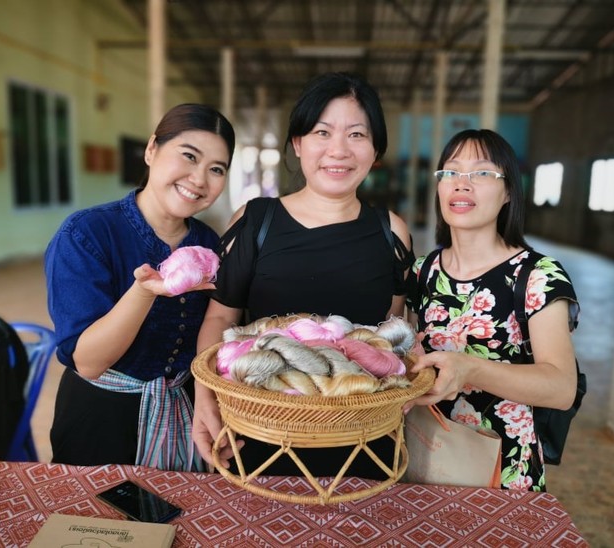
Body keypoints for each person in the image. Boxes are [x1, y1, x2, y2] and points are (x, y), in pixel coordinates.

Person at [193, 72, 415, 479]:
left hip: (362, 437)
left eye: (356, 135)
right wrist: (204, 398)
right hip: (258, 432)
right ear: (297, 144)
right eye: (322, 132)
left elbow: (389, 337)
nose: (338, 150)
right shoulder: (256, 220)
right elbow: (220, 319)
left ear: (375, 149)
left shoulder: (392, 232)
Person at [44, 103, 235, 471]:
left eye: (216, 169)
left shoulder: (211, 243)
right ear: (151, 150)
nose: (199, 178)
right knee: (96, 525)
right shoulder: (86, 233)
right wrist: (145, 291)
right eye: (189, 156)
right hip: (99, 419)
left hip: (185, 411)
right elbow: (88, 362)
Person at [405, 128, 579, 491]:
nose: (461, 184)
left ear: (509, 192)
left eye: (482, 173)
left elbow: (563, 387)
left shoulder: (537, 277)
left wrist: (469, 368)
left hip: (504, 471)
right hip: (426, 456)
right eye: (450, 172)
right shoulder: (423, 271)